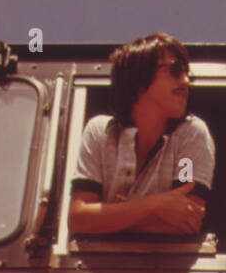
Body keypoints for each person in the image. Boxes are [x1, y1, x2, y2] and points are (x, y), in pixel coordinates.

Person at [68, 33, 214, 237]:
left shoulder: (190, 136)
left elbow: (185, 222)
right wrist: (157, 204)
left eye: (187, 72)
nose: (186, 80)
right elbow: (78, 219)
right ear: (138, 79)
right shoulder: (99, 132)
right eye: (176, 70)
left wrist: (105, 220)